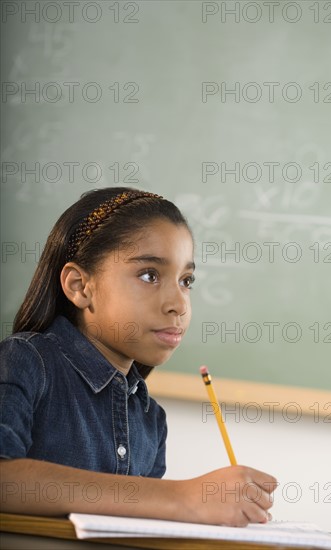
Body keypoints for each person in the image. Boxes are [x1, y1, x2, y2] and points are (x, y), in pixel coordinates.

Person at [0, 187, 277, 526]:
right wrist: (181, 497)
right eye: (149, 275)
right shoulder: (25, 361)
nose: (179, 304)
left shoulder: (150, 418)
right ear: (79, 286)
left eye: (187, 280)